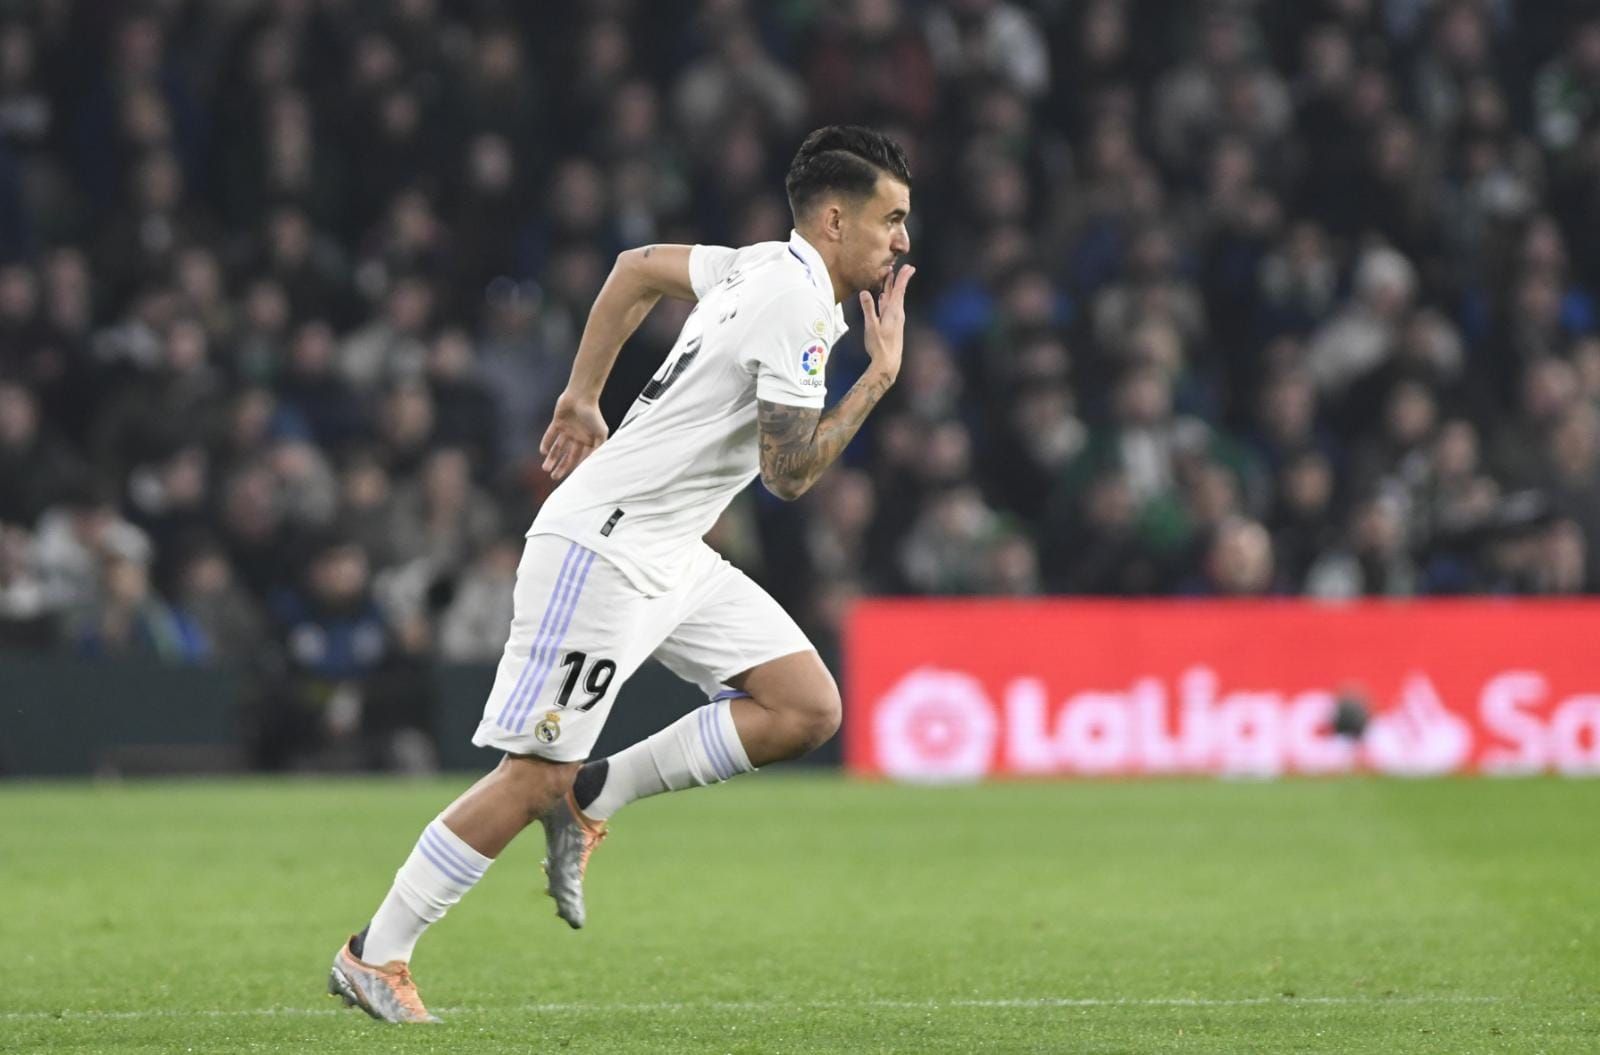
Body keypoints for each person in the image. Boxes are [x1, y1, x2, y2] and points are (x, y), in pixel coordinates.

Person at [328, 126, 915, 1023]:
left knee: (805, 707)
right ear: (836, 219)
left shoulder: (757, 264)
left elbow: (636, 265)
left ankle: (600, 793)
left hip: (672, 550)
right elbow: (790, 476)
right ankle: (377, 952)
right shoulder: (795, 302)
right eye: (892, 220)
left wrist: (582, 394)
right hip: (604, 547)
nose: (902, 241)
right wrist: (877, 377)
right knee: (529, 777)